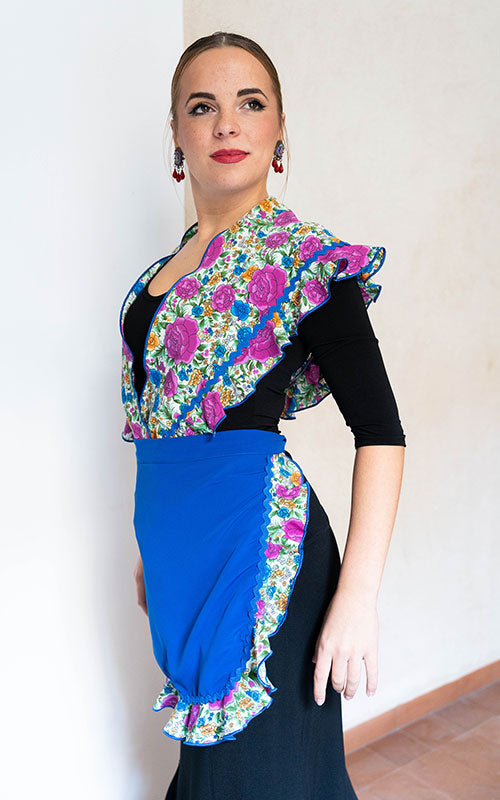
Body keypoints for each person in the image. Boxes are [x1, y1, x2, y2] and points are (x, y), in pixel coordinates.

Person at [119, 31, 406, 800]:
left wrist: (358, 596)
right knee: (211, 772)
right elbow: (159, 429)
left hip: (262, 554)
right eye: (201, 107)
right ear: (176, 133)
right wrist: (152, 548)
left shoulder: (307, 262)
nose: (226, 124)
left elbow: (381, 432)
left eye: (250, 104)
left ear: (280, 130)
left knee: (256, 777)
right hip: (182, 559)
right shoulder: (153, 282)